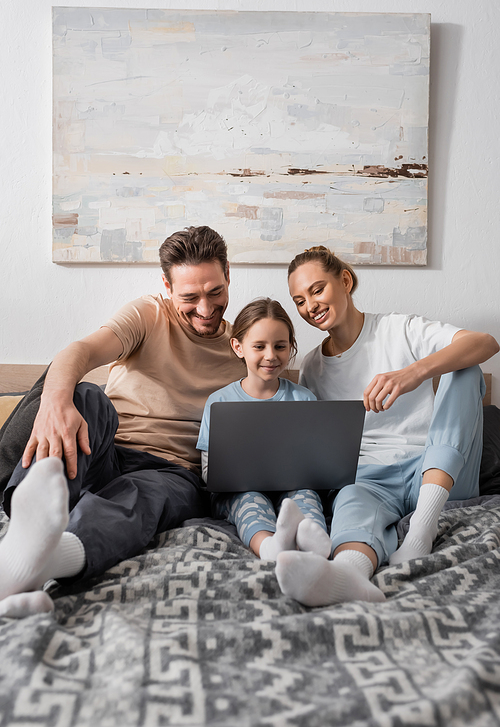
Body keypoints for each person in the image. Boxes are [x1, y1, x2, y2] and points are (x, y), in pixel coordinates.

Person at [0, 226, 246, 616]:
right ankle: (28, 524)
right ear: (166, 286)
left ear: (228, 274)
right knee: (86, 396)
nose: (205, 308)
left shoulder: (247, 348)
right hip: (102, 451)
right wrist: (54, 403)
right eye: (190, 297)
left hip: (172, 472)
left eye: (215, 292)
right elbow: (78, 352)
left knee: (139, 497)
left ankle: (36, 562)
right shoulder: (148, 314)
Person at [275, 246, 499, 607]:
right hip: (371, 478)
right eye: (299, 300)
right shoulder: (312, 367)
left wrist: (414, 372)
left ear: (344, 281)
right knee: (350, 497)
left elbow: (485, 342)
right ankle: (348, 574)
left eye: (317, 290)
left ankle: (422, 529)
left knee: (466, 369)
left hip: (437, 472)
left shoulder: (399, 329)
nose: (310, 306)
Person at [197, 298, 332, 561]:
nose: (271, 356)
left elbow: (319, 463)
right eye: (259, 346)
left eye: (280, 346)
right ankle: (270, 548)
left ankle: (314, 544)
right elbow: (207, 471)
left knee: (306, 495)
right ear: (238, 347)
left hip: (295, 486)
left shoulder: (304, 399)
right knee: (248, 499)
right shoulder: (220, 402)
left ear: (290, 347)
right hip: (237, 491)